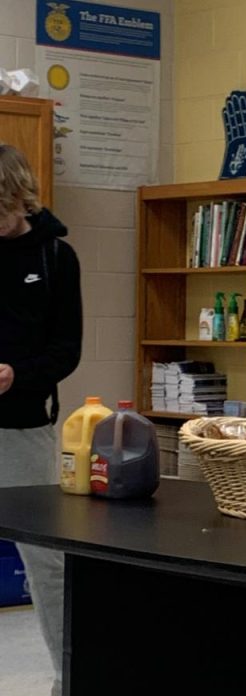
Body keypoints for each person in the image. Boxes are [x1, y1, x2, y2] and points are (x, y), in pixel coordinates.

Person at [0, 142, 82, 696]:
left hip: (22, 424)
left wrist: (15, 375)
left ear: (15, 196)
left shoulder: (55, 257)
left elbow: (67, 350)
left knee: (45, 561)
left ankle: (71, 677)